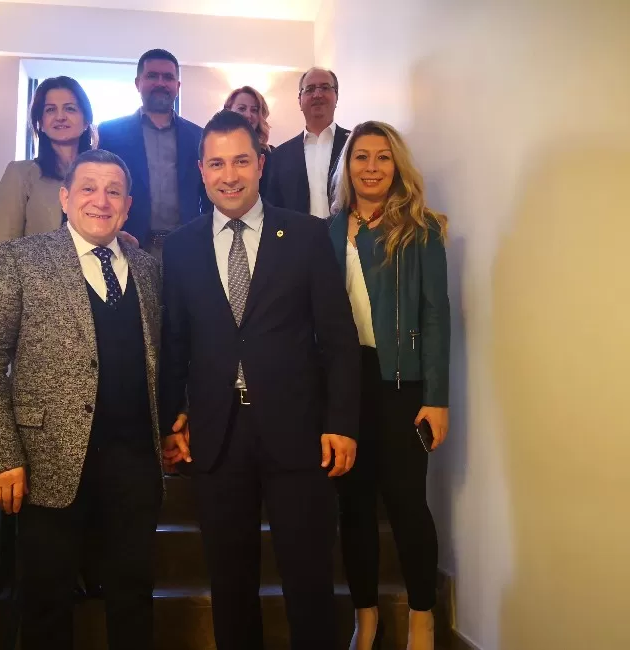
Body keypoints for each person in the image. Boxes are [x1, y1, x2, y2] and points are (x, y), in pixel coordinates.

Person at [160, 110, 361, 650]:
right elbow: (174, 344)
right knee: (230, 585)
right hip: (217, 437)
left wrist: (342, 422)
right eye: (217, 163)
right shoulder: (178, 248)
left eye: (241, 161)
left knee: (309, 581)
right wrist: (171, 420)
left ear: (260, 164)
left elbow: (338, 338)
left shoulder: (306, 235)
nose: (229, 175)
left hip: (299, 434)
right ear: (201, 170)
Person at [0, 150, 164, 650]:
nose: (101, 201)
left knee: (134, 597)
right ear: (65, 198)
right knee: (47, 605)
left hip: (135, 464)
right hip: (46, 463)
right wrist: (2, 455)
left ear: (128, 206)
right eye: (89, 188)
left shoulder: (148, 269)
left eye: (114, 191)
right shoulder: (21, 259)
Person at [327, 121, 450, 650]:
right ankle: (367, 617)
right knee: (353, 509)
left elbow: (437, 316)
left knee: (406, 504)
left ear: (396, 166)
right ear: (347, 166)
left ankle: (423, 616)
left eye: (382, 157)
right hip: (344, 383)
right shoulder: (327, 230)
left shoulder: (421, 229)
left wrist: (437, 398)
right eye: (361, 156)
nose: (372, 167)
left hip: (402, 384)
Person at [98, 48, 211, 257]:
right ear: (137, 83)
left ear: (177, 86)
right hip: (128, 246)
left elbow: (208, 194)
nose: (160, 83)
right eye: (152, 76)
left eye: (168, 77)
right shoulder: (111, 133)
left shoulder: (198, 136)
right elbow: (102, 190)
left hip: (187, 246)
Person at [0, 76, 94, 244]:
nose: (60, 117)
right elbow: (5, 248)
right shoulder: (20, 174)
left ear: (86, 121)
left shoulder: (103, 175)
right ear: (40, 122)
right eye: (50, 110)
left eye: (70, 109)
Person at [265, 67, 349, 218]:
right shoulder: (279, 156)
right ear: (300, 100)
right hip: (297, 233)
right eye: (310, 89)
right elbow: (274, 209)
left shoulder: (355, 144)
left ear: (336, 96)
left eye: (325, 88)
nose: (317, 95)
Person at [224, 85, 272, 197]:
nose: (248, 115)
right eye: (242, 108)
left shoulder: (269, 156)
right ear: (228, 111)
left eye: (254, 110)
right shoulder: (213, 151)